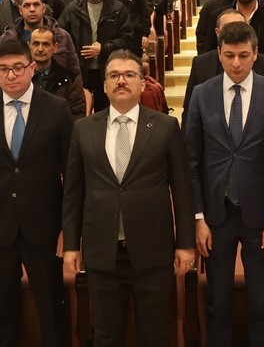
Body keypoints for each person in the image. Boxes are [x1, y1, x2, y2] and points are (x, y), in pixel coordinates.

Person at [61, 50, 196, 346]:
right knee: (105, 336)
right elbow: (73, 192)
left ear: (142, 83)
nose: (121, 81)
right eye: (114, 76)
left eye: (129, 75)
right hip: (102, 251)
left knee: (154, 335)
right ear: (104, 85)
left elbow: (183, 190)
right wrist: (71, 245)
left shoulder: (165, 126)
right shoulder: (83, 129)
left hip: (152, 250)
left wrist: (186, 243)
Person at [0, 38, 74, 347]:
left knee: (52, 313)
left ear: (32, 68)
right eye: (3, 69)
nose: (11, 75)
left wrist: (68, 229)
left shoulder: (56, 109)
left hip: (45, 230)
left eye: (17, 68)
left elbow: (72, 175)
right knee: (4, 316)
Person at [185, 21, 264, 347]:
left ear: (256, 53)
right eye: (229, 55)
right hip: (216, 215)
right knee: (217, 302)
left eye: (243, 55)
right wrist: (198, 217)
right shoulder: (202, 94)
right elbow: (192, 162)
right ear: (219, 54)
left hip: (259, 215)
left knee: (260, 303)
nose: (236, 63)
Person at [58, 0, 137, 112]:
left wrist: (103, 48)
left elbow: (127, 39)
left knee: (106, 113)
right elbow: (60, 38)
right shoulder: (73, 8)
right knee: (81, 112)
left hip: (107, 70)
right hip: (80, 70)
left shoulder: (117, 8)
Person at [183, 9, 264, 113]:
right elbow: (189, 110)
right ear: (217, 32)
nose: (234, 32)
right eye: (229, 56)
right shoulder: (201, 65)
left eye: (240, 27)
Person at [30, 25, 87, 117]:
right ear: (29, 46)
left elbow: (77, 115)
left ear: (55, 47)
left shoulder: (71, 79)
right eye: (36, 44)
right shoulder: (21, 77)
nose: (40, 49)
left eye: (46, 44)